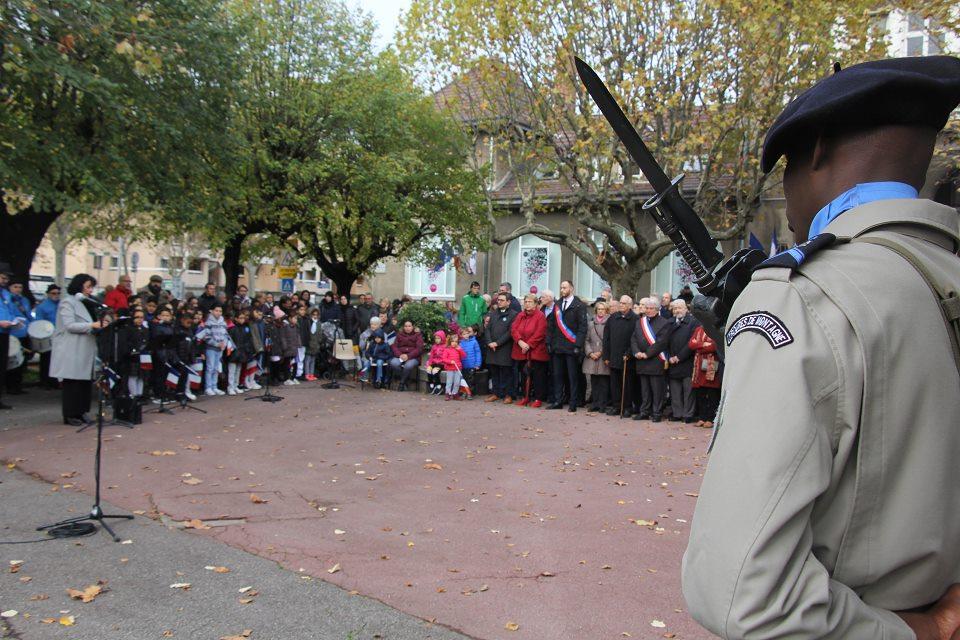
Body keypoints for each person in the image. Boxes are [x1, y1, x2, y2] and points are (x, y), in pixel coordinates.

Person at [682, 56, 960, 640]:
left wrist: (924, 630)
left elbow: (746, 598)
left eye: (784, 168)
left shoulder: (803, 297)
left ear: (815, 153)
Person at [51, 274, 108, 426]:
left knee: (84, 382)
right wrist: (91, 326)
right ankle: (70, 414)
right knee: (72, 382)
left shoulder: (87, 303)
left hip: (85, 347)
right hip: (72, 347)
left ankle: (82, 411)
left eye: (91, 287)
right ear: (79, 286)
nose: (90, 290)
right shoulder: (68, 302)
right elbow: (69, 325)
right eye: (88, 286)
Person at [546, 280, 588, 412]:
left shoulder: (579, 305)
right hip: (558, 346)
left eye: (564, 288)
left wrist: (578, 345)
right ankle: (558, 401)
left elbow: (583, 327)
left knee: (572, 376)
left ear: (571, 288)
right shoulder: (557, 304)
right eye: (561, 288)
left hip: (572, 347)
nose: (562, 290)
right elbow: (551, 325)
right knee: (557, 375)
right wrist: (549, 342)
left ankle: (573, 402)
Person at [630, 298, 673, 422]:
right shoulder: (640, 322)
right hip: (641, 361)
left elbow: (661, 343)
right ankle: (644, 411)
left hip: (655, 361)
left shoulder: (664, 323)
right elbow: (633, 339)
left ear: (657, 309)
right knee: (645, 390)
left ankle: (657, 412)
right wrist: (636, 352)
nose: (648, 310)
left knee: (657, 389)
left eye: (651, 308)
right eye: (647, 308)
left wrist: (647, 354)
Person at [511, 293, 548, 408]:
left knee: (538, 376)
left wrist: (529, 345)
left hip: (536, 351)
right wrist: (520, 341)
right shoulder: (520, 315)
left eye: (530, 302)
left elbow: (540, 333)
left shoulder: (540, 316)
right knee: (524, 375)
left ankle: (538, 398)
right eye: (525, 302)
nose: (527, 304)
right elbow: (513, 329)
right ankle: (525, 397)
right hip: (522, 350)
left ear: (536, 304)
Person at [602, 295, 637, 417]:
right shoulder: (613, 318)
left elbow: (636, 339)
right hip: (613, 357)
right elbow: (606, 338)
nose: (621, 305)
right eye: (620, 303)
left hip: (628, 359)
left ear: (630, 305)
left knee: (627, 385)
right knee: (615, 384)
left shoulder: (635, 319)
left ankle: (627, 407)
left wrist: (629, 353)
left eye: (624, 303)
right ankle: (616, 406)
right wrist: (606, 356)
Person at [665, 300, 699, 423]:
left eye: (679, 308)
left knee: (688, 391)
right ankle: (677, 413)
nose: (677, 311)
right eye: (675, 308)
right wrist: (669, 356)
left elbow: (692, 343)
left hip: (687, 362)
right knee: (675, 391)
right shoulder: (669, 323)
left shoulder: (693, 322)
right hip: (672, 362)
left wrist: (679, 357)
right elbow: (665, 342)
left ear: (686, 309)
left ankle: (688, 414)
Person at [485, 292, 518, 403]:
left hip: (504, 348)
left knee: (506, 373)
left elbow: (510, 332)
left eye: (502, 300)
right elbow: (487, 329)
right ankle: (496, 393)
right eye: (498, 300)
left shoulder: (514, 315)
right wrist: (489, 342)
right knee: (494, 371)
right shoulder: (493, 313)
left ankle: (508, 394)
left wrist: (497, 343)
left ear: (508, 302)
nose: (499, 302)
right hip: (492, 348)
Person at [687, 323, 721, 428]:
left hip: (710, 366)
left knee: (712, 394)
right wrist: (703, 344)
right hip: (698, 367)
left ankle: (711, 418)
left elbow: (714, 346)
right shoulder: (699, 329)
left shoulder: (716, 329)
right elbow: (691, 344)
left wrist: (699, 345)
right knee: (700, 394)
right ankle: (702, 417)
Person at [0, 265, 24, 409]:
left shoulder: (6, 293)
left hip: (5, 332)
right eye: (3, 277)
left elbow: (10, 311)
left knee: (2, 366)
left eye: (7, 278)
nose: (5, 281)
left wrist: (16, 321)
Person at [5, 280, 32, 395]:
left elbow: (29, 315)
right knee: (11, 361)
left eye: (20, 287)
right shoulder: (8, 300)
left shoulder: (24, 300)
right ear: (10, 288)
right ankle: (9, 386)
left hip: (24, 333)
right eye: (15, 286)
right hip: (13, 333)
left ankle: (18, 385)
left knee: (22, 361)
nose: (18, 289)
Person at [583, 300, 610, 414]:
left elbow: (610, 341)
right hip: (592, 356)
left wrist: (601, 352)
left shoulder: (609, 323)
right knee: (593, 381)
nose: (600, 311)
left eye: (603, 309)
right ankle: (595, 403)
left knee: (603, 382)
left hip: (603, 356)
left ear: (607, 311)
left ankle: (603, 404)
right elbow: (586, 340)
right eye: (599, 309)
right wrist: (590, 352)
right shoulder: (591, 323)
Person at [198, 303, 229, 395]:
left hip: (220, 348)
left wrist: (224, 343)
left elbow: (226, 335)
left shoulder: (223, 322)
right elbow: (206, 337)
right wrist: (217, 344)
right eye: (216, 310)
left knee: (216, 368)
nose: (218, 313)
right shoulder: (208, 322)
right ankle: (208, 387)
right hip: (211, 348)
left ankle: (215, 387)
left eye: (220, 311)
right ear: (211, 311)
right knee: (210, 368)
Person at [33, 283, 61, 388]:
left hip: (59, 335)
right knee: (46, 359)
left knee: (57, 360)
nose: (56, 295)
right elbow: (39, 322)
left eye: (58, 293)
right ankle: (44, 381)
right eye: (53, 293)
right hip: (47, 335)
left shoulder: (61, 304)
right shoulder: (42, 306)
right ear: (48, 294)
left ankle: (55, 381)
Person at [148, 306, 176, 402]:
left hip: (168, 354)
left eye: (167, 315)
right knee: (159, 375)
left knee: (166, 375)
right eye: (163, 315)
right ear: (159, 316)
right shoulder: (156, 327)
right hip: (159, 354)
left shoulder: (171, 327)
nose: (165, 317)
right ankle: (158, 395)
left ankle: (166, 393)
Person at [226, 309, 254, 395]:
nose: (242, 319)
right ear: (236, 319)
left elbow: (248, 340)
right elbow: (229, 342)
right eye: (240, 318)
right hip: (234, 353)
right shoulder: (232, 329)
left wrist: (247, 350)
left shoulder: (246, 328)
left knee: (238, 370)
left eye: (243, 318)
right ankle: (230, 387)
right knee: (232, 371)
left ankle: (235, 385)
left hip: (242, 352)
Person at [389, 320, 423, 391]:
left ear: (412, 327)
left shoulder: (418, 335)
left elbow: (419, 349)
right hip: (400, 355)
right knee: (393, 363)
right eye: (406, 326)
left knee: (408, 366)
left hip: (413, 357)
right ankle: (405, 379)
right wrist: (400, 355)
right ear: (403, 327)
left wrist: (408, 356)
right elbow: (394, 346)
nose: (407, 328)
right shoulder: (399, 334)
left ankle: (401, 383)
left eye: (409, 326)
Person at [441, 332, 467, 400]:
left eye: (456, 341)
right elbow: (443, 359)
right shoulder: (447, 349)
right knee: (449, 382)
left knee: (457, 382)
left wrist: (460, 350)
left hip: (458, 368)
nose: (454, 343)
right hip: (450, 369)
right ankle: (448, 393)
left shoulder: (458, 349)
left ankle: (455, 394)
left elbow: (464, 356)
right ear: (450, 342)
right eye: (452, 341)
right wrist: (450, 361)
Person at [459, 325, 481, 399]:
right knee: (463, 379)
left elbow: (478, 353)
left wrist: (477, 364)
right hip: (463, 364)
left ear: (469, 334)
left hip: (472, 365)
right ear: (461, 335)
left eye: (467, 333)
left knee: (470, 379)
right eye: (464, 334)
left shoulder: (474, 342)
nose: (465, 335)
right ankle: (464, 392)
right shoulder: (461, 343)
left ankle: (470, 393)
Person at [425, 329, 446, 395]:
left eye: (438, 338)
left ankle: (439, 386)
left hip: (441, 363)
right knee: (428, 370)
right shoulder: (434, 346)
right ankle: (431, 385)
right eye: (436, 338)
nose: (437, 340)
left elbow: (445, 356)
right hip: (434, 362)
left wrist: (443, 362)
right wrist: (429, 364)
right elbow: (431, 356)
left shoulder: (445, 346)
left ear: (442, 338)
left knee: (435, 371)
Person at [304, 307, 322, 382]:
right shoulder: (308, 322)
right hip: (309, 343)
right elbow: (307, 333)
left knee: (313, 360)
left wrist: (319, 342)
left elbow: (320, 334)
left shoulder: (318, 323)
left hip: (316, 344)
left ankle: (311, 374)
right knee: (307, 360)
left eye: (316, 315)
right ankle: (307, 374)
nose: (315, 316)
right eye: (313, 314)